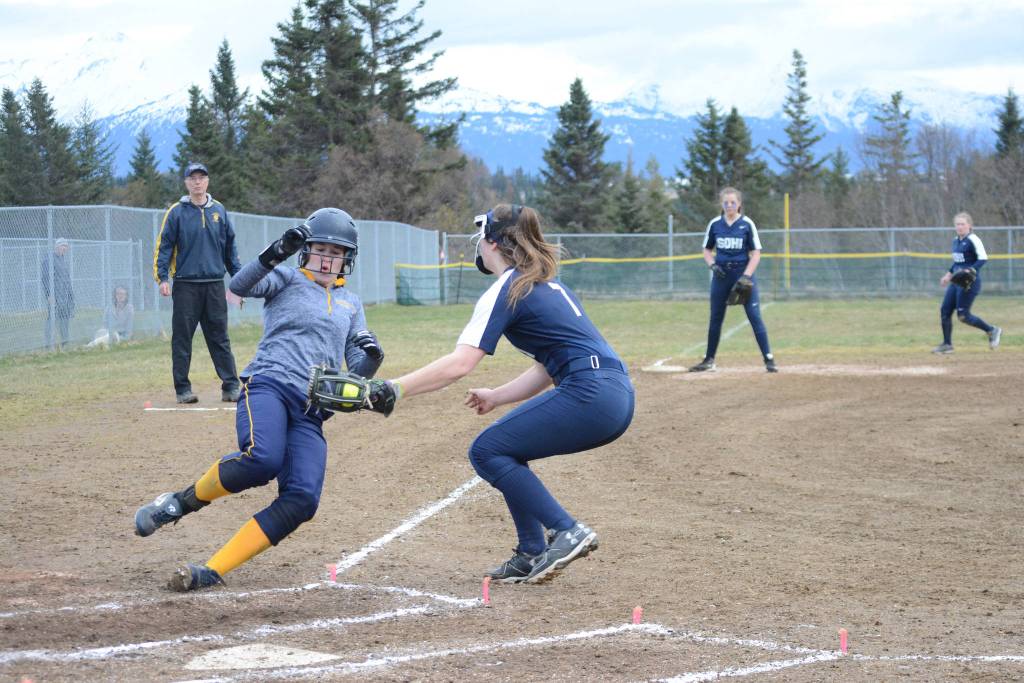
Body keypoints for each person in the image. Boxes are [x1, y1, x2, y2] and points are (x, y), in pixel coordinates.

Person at [363, 204, 634, 584]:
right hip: (615, 393)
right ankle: (531, 552)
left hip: (590, 392)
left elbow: (460, 364)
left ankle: (565, 529)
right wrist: (498, 396)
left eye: (481, 237)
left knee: (487, 450)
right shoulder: (547, 285)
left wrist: (395, 388)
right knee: (508, 448)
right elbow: (546, 366)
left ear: (492, 242)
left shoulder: (508, 287)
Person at [133, 207, 385, 591]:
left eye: (336, 252)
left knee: (302, 499)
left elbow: (354, 362)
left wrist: (370, 360)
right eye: (320, 248)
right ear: (306, 250)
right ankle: (180, 503)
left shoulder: (351, 304)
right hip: (268, 384)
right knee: (262, 458)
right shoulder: (285, 278)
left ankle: (212, 569)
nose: (327, 258)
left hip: (310, 410)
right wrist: (275, 253)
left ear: (346, 259)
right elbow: (240, 287)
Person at [153, 161, 242, 404]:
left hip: (214, 285)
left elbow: (230, 250)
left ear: (207, 181)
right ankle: (183, 389)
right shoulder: (176, 212)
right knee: (182, 339)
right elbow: (164, 247)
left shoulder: (220, 211)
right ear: (186, 183)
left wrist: (240, 281)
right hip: (185, 286)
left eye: (201, 177)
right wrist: (162, 278)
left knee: (220, 338)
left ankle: (231, 386)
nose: (197, 182)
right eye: (192, 178)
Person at [689, 187, 777, 373]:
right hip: (721, 276)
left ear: (739, 204)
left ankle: (769, 359)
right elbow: (706, 250)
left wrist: (746, 276)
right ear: (722, 204)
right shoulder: (715, 224)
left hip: (742, 275)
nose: (729, 206)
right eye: (726, 202)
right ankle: (709, 359)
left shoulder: (746, 224)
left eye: (733, 202)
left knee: (754, 317)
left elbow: (756, 254)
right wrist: (712, 265)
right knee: (716, 318)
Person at [932, 212, 1001, 354]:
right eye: (957, 224)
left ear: (969, 225)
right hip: (956, 281)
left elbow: (983, 258)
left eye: (962, 224)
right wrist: (948, 275)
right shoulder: (955, 240)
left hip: (970, 282)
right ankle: (947, 344)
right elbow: (957, 262)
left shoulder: (973, 239)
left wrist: (971, 270)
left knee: (963, 316)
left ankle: (992, 330)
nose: (959, 226)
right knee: (945, 310)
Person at [41, 237, 75, 350]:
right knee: (52, 319)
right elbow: (45, 278)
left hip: (65, 296)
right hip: (55, 296)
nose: (64, 248)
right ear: (56, 246)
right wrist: (49, 295)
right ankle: (48, 344)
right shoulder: (49, 259)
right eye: (62, 246)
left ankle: (65, 343)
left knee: (65, 320)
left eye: (66, 246)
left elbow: (67, 280)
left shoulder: (63, 260)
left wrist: (70, 296)